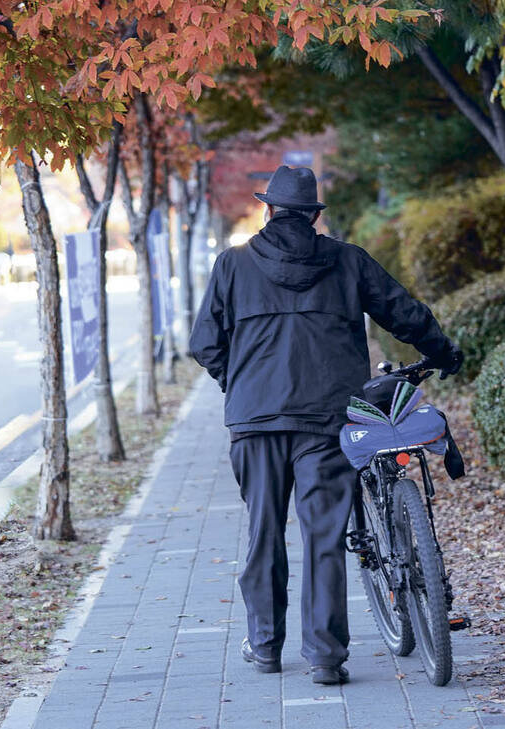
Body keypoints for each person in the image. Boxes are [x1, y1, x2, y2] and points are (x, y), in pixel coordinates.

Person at [189, 165, 462, 685]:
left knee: (263, 531)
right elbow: (402, 312)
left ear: (269, 210)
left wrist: (240, 382)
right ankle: (326, 658)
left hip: (255, 422)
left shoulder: (233, 264)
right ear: (313, 216)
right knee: (324, 537)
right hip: (327, 419)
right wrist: (443, 351)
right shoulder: (347, 260)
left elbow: (205, 344)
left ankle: (265, 646)